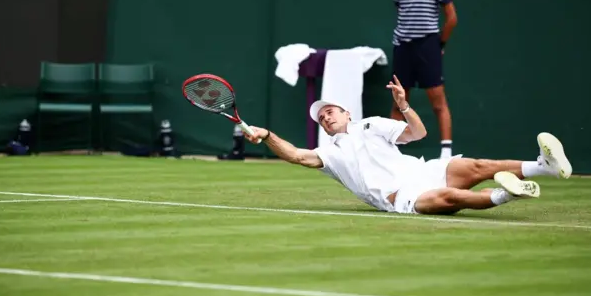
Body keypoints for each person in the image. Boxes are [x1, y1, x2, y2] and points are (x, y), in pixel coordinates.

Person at [242, 75, 572, 215]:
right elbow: (297, 155)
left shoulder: (371, 124)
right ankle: (508, 194)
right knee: (452, 198)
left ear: (347, 113)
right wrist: (268, 135)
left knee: (477, 166)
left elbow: (417, 134)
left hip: (424, 171)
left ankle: (544, 167)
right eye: (321, 118)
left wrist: (403, 104)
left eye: (330, 110)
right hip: (403, 197)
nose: (326, 117)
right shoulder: (328, 153)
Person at [391, 0, 458, 159]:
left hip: (427, 46)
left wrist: (439, 44)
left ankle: (446, 153)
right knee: (399, 98)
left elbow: (451, 18)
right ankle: (390, 150)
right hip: (402, 47)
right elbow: (402, 15)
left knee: (438, 101)